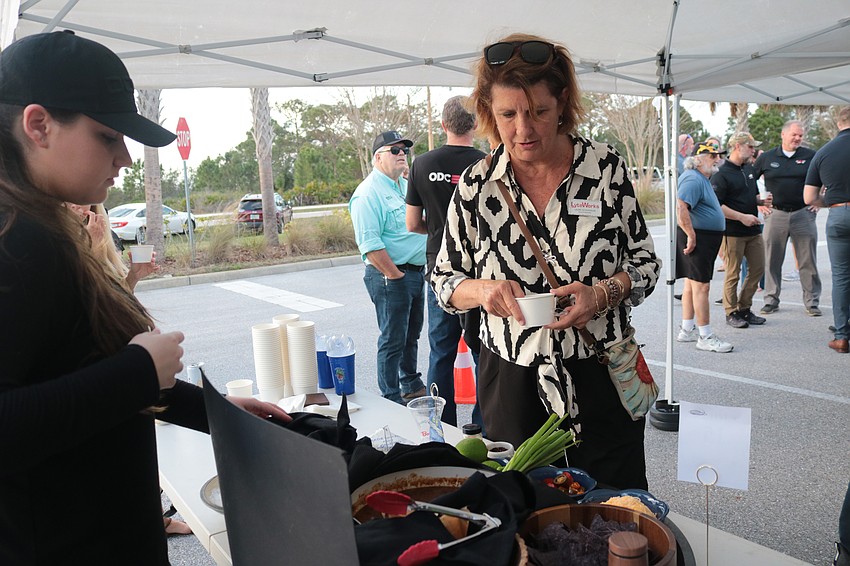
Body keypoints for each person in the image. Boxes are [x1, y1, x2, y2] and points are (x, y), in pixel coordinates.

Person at [0, 31, 289, 565]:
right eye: (108, 136)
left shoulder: (44, 228)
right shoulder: (17, 241)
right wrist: (138, 369)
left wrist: (212, 409)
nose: (126, 157)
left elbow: (80, 370)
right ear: (38, 125)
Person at [431, 33, 660, 490]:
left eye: (539, 111)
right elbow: (443, 280)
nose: (524, 129)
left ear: (563, 104)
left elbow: (646, 265)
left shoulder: (605, 170)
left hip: (599, 375)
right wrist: (483, 291)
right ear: (488, 115)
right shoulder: (477, 185)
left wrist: (601, 294)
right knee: (525, 511)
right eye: (508, 114)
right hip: (512, 382)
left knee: (613, 508)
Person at [405, 96, 486, 427]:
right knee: (485, 353)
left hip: (441, 273)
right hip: (481, 274)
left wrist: (440, 231)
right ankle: (485, 422)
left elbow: (412, 224)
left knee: (441, 352)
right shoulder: (487, 163)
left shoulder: (422, 164)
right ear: (476, 125)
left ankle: (442, 423)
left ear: (443, 125)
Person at [350, 130, 428, 404]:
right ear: (377, 157)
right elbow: (370, 244)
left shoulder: (404, 186)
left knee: (411, 336)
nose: (401, 155)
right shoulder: (367, 194)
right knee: (393, 340)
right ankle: (391, 397)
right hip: (391, 276)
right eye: (394, 151)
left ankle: (410, 383)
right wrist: (395, 275)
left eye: (404, 150)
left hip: (416, 274)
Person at [754, 120, 822, 316]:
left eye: (800, 135)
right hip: (776, 214)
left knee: (807, 261)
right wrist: (758, 203)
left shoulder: (811, 156)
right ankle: (770, 300)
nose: (798, 138)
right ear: (783, 135)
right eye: (794, 134)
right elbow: (748, 181)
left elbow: (826, 178)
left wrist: (817, 200)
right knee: (772, 261)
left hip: (803, 214)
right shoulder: (767, 158)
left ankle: (811, 302)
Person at [675, 141, 733, 353]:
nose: (717, 159)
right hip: (698, 238)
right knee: (701, 286)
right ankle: (705, 336)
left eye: (718, 155)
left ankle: (688, 329)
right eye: (712, 155)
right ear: (697, 159)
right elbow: (681, 205)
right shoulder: (692, 177)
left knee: (691, 284)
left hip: (703, 237)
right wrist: (691, 234)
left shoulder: (702, 178)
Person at [712, 132, 771, 329]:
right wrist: (741, 217)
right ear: (738, 146)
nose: (753, 150)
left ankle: (744, 308)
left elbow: (750, 196)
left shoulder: (749, 169)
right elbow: (718, 206)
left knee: (758, 269)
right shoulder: (721, 174)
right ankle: (731, 312)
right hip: (733, 232)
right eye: (750, 146)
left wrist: (761, 202)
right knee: (733, 273)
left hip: (753, 230)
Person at [804, 106, 850, 354]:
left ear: (838, 122)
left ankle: (842, 336)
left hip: (839, 214)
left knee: (842, 277)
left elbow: (808, 197)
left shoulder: (823, 152)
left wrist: (830, 201)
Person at [66, 203, 156, 291]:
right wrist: (90, 248)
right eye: (64, 198)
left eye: (82, 197)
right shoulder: (55, 244)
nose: (74, 205)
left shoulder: (103, 238)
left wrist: (133, 277)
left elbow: (110, 299)